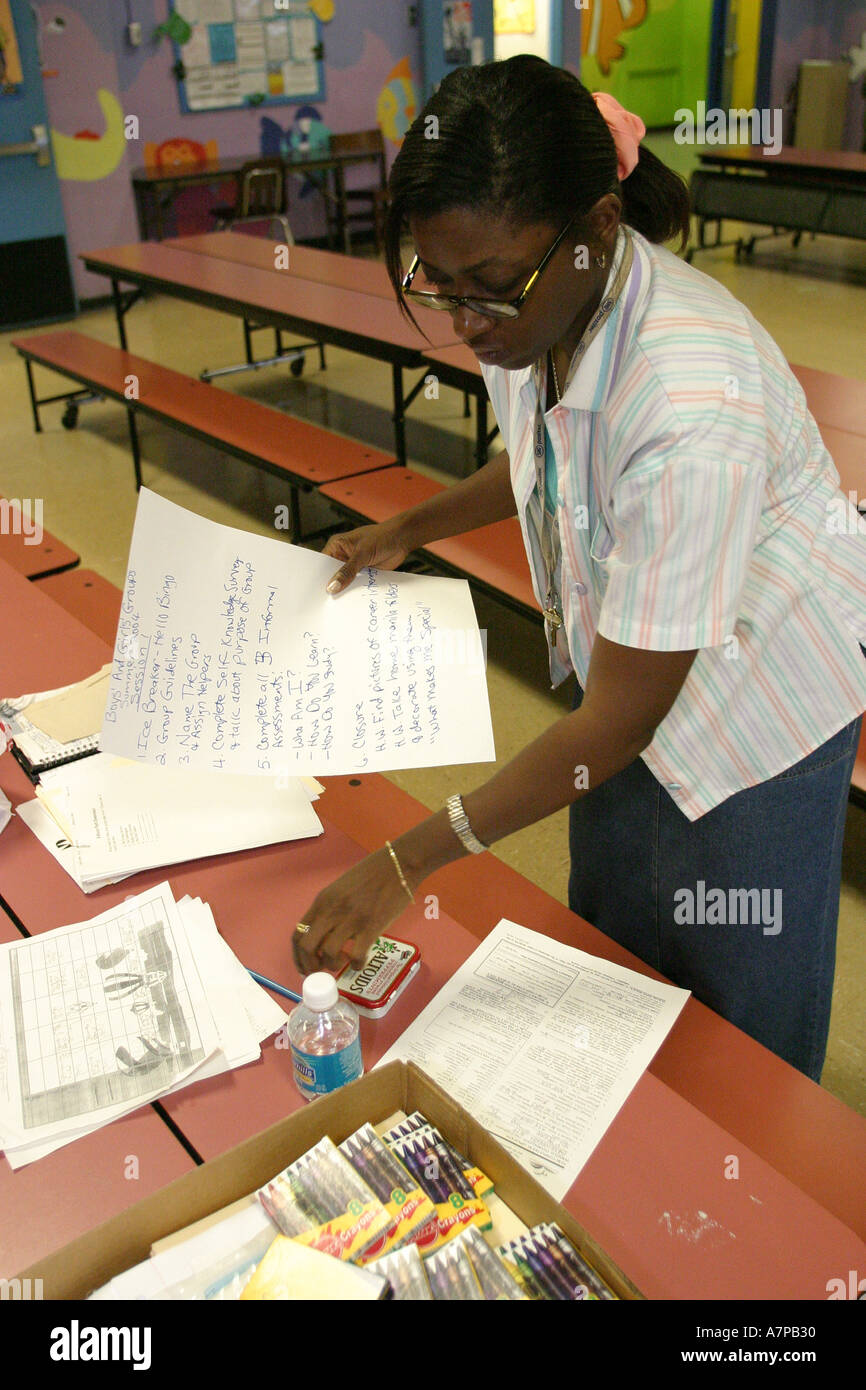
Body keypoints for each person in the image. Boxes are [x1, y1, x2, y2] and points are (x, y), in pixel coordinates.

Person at [292, 56, 866, 1082]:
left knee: (738, 1020)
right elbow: (545, 454)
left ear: (597, 229)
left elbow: (617, 725)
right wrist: (406, 527)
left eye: (487, 288)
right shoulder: (542, 309)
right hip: (631, 677)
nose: (465, 322)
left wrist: (407, 858)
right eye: (437, 282)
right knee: (620, 945)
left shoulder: (690, 403)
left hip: (754, 708)